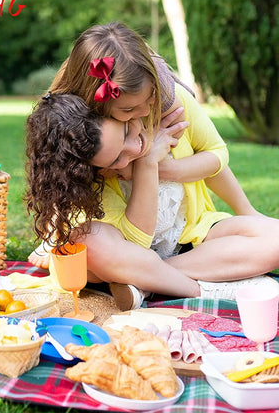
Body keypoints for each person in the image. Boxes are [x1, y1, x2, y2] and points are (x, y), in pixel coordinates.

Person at [28, 21, 260, 271]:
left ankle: (157, 276)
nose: (145, 111)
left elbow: (216, 154)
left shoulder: (171, 106)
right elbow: (60, 177)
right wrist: (54, 229)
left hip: (186, 230)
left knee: (271, 240)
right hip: (123, 240)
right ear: (95, 105)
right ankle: (154, 274)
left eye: (151, 98)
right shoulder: (83, 133)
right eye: (127, 111)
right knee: (89, 252)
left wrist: (155, 168)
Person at [25, 92, 279, 309]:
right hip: (126, 254)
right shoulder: (91, 167)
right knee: (88, 242)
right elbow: (137, 241)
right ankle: (200, 290)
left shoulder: (165, 115)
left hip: (190, 238)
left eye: (126, 132)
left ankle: (145, 284)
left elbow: (213, 160)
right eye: (115, 160)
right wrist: (147, 164)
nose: (133, 149)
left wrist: (248, 212)